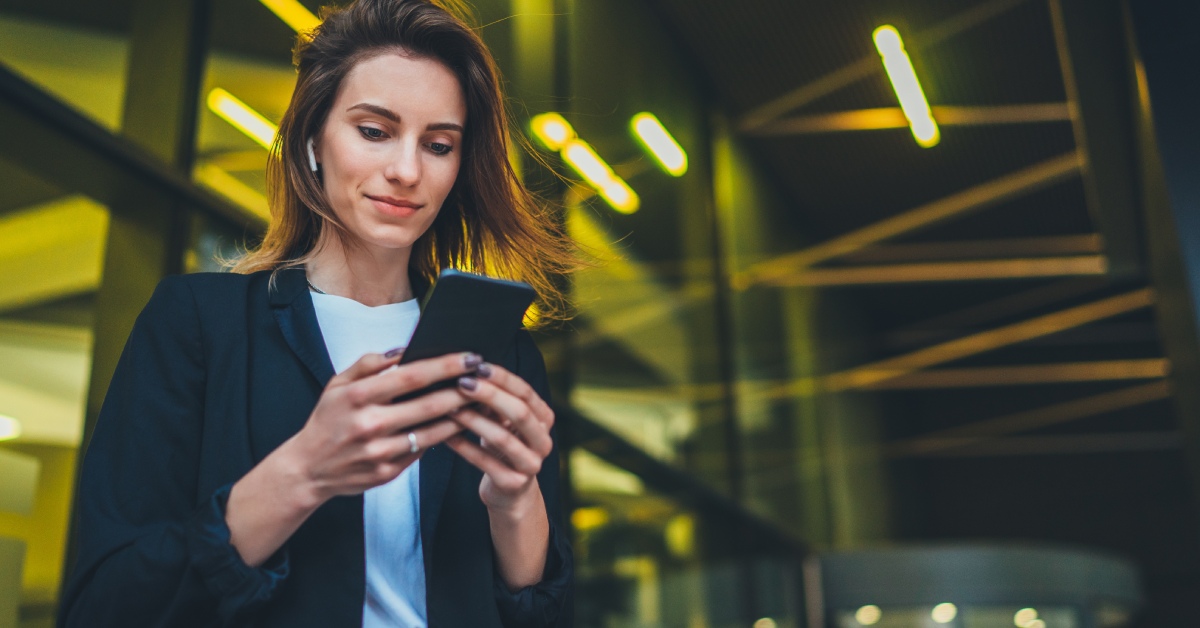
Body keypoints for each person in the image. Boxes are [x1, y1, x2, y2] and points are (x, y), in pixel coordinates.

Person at [58, 0, 576, 625]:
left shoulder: (502, 353)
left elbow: (541, 613)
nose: (407, 170)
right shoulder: (199, 323)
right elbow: (106, 602)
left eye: (439, 145)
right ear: (311, 141)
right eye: (374, 131)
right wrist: (304, 471)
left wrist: (515, 499)